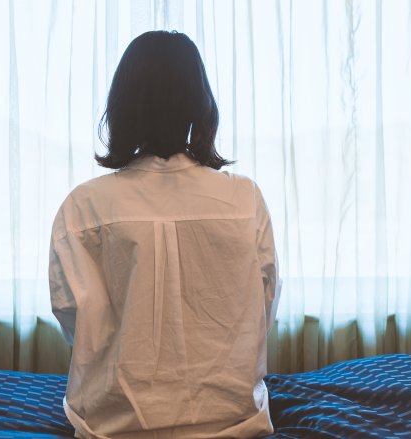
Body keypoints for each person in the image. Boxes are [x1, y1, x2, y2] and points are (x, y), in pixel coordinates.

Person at [49, 30, 280, 439]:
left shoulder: (85, 205)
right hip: (235, 422)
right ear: (200, 104)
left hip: (113, 426)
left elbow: (76, 322)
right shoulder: (243, 198)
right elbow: (264, 306)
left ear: (121, 106)